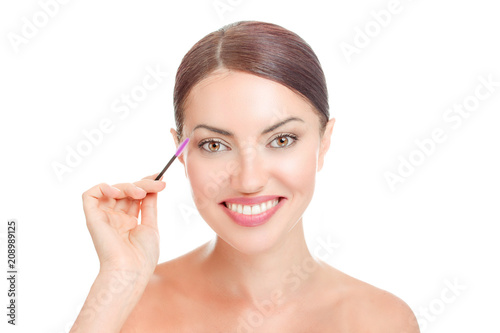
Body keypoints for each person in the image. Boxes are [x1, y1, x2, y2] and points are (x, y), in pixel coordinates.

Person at [71, 21, 420, 332]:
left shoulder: (382, 321)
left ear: (324, 142)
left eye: (281, 140)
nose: (249, 180)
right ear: (180, 151)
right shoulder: (126, 310)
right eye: (214, 145)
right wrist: (117, 282)